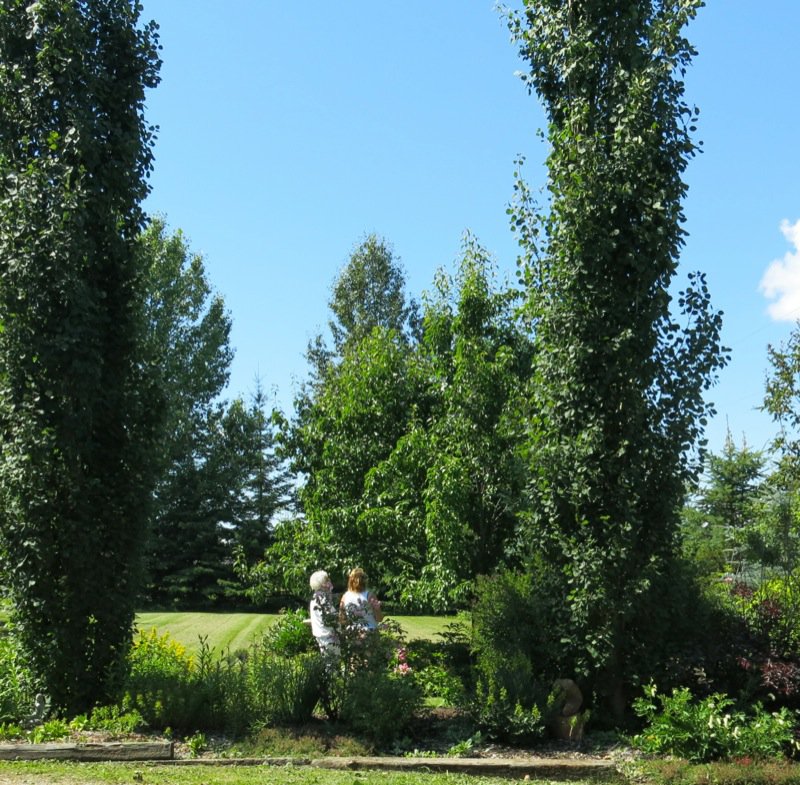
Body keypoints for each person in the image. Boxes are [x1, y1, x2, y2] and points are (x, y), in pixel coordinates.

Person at [309, 570, 340, 658]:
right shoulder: (322, 599)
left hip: (323, 635)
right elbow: (330, 618)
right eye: (326, 580)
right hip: (328, 636)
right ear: (322, 584)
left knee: (330, 663)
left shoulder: (316, 597)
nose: (329, 581)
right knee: (332, 664)